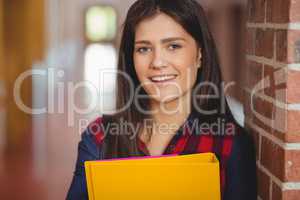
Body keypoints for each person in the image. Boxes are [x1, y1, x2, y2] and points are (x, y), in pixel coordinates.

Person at [67, 0, 257, 199]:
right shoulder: (98, 138)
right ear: (131, 58)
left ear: (200, 54)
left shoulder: (229, 143)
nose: (157, 62)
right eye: (144, 49)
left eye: (173, 46)